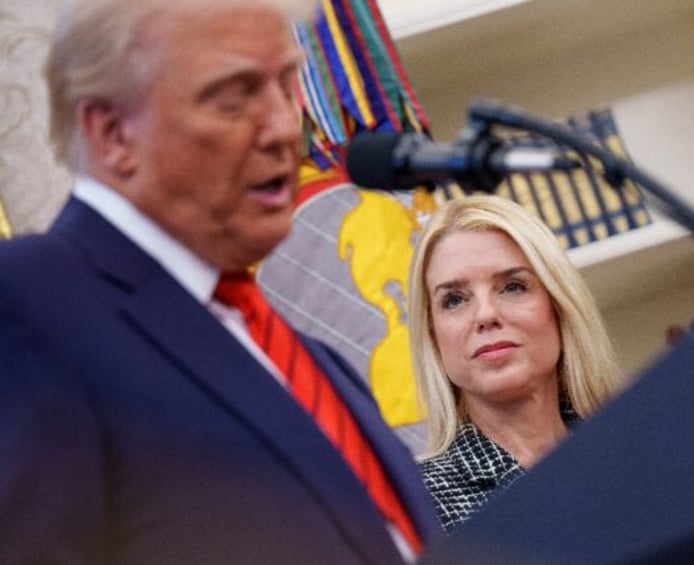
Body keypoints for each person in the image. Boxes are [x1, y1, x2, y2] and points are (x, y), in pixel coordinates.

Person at [0, 0, 441, 562]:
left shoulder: (311, 358)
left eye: (288, 87)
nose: (284, 128)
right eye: (235, 97)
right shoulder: (31, 306)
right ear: (112, 132)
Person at [408, 195, 627, 532]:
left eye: (513, 286)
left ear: (559, 305)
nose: (485, 315)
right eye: (454, 300)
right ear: (433, 336)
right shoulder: (416, 506)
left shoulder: (639, 456)